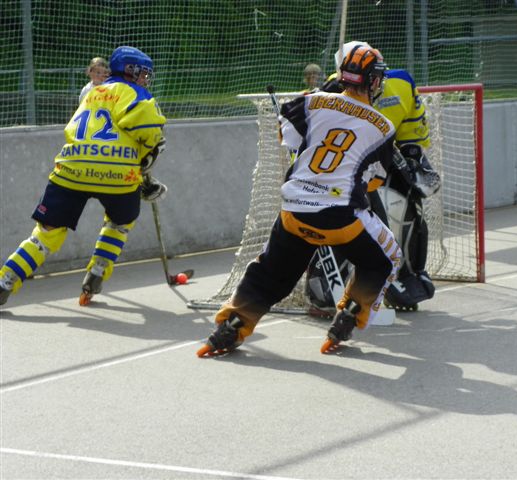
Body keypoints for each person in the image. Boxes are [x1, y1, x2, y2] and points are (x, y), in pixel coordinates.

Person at [197, 44, 401, 356]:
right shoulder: (383, 126)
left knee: (272, 274)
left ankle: (233, 324)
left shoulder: (310, 101)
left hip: (294, 212)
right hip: (342, 220)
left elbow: (288, 139)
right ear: (373, 80)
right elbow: (374, 181)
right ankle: (350, 314)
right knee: (386, 259)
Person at [0, 46, 167, 307]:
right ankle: (98, 271)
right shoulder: (137, 94)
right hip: (117, 174)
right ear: (130, 71)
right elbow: (150, 134)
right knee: (120, 222)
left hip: (72, 168)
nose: (146, 79)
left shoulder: (92, 93)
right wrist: (145, 174)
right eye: (143, 73)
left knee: (46, 233)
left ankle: (6, 281)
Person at [306, 40, 441, 312]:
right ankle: (326, 284)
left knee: (409, 205)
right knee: (349, 221)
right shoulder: (328, 94)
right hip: (343, 172)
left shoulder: (401, 84)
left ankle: (407, 275)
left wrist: (413, 157)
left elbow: (412, 136)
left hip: (382, 160)